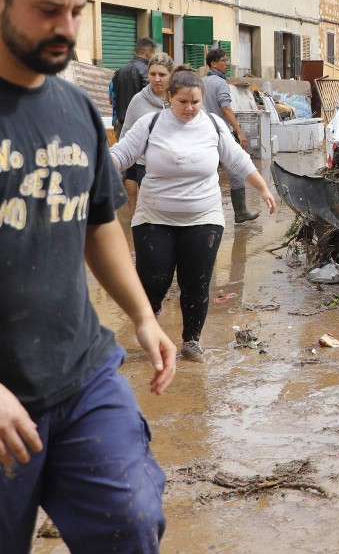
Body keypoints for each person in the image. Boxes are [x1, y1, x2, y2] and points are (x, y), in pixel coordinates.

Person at [0, 0, 176, 552]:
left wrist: (142, 317)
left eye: (75, 10)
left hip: (82, 374)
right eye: (48, 10)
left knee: (131, 521)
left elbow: (99, 223)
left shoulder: (74, 109)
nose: (67, 28)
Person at [110, 65, 277, 363]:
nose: (190, 108)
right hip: (154, 216)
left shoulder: (213, 124)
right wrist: (92, 169)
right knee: (154, 280)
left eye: (195, 102)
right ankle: (151, 316)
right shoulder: (151, 123)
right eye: (183, 102)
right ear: (169, 98)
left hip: (204, 216)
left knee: (196, 281)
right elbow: (121, 154)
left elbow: (237, 159)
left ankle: (191, 341)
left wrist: (263, 188)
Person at [202, 47, 259, 223]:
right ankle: (241, 213)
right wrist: (239, 131)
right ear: (213, 63)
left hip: (203, 132)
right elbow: (225, 108)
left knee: (206, 174)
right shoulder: (220, 83)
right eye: (224, 60)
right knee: (235, 171)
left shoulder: (201, 82)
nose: (228, 64)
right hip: (221, 133)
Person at [119, 51, 174, 207]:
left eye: (162, 75)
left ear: (171, 75)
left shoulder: (179, 99)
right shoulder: (138, 101)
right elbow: (126, 135)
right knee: (152, 210)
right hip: (146, 166)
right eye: (152, 74)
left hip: (174, 165)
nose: (156, 79)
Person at [112, 36, 156, 132]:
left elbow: (113, 99)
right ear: (148, 54)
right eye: (153, 55)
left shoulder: (119, 72)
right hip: (142, 127)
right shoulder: (148, 72)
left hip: (122, 125)